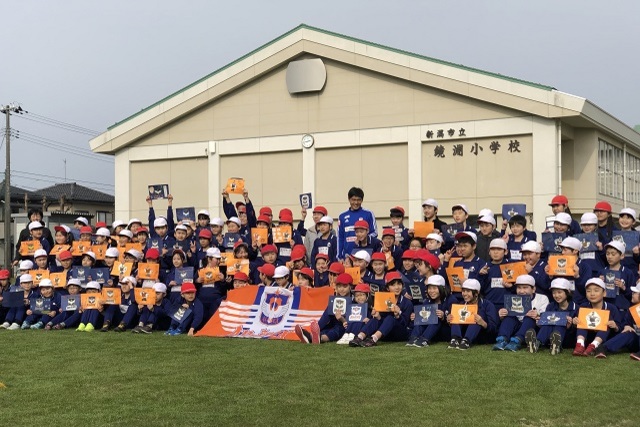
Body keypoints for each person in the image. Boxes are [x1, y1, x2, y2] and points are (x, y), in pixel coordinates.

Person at [348, 271, 413, 347]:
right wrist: (377, 316)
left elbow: (406, 324)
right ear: (388, 288)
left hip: (400, 334)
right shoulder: (382, 299)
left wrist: (398, 316)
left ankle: (373, 339)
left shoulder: (407, 302)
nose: (397, 287)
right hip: (385, 333)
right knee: (375, 319)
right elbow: (381, 320)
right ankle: (359, 337)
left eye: (399, 284)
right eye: (393, 285)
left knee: (390, 318)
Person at [493, 274, 549, 352]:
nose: (521, 291)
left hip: (532, 329)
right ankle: (502, 340)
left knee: (529, 317)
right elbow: (506, 319)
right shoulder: (512, 298)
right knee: (509, 317)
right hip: (516, 327)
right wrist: (501, 314)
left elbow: (546, 318)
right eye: (519, 287)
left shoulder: (542, 298)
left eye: (525, 287)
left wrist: (538, 314)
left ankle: (516, 341)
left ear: (533, 289)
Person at [295, 272, 352, 344]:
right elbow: (326, 316)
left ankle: (317, 338)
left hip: (344, 326)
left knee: (336, 330)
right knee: (326, 327)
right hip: (332, 322)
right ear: (336, 287)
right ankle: (313, 334)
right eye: (339, 287)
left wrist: (342, 319)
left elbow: (352, 323)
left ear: (350, 287)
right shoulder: (334, 299)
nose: (342, 289)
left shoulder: (354, 300)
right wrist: (319, 326)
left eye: (344, 286)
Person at [572, 278, 622, 357]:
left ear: (604, 293)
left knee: (606, 322)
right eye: (588, 291)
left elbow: (619, 329)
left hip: (603, 339)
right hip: (587, 337)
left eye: (596, 290)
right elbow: (575, 325)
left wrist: (615, 326)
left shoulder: (612, 308)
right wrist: (575, 322)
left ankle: (594, 346)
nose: (592, 294)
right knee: (581, 319)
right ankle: (580, 345)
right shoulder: (583, 307)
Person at [529, 278, 579, 355]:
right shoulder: (550, 306)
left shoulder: (576, 308)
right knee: (548, 323)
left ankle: (556, 346)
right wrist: (539, 322)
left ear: (568, 292)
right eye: (554, 293)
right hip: (549, 337)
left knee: (560, 324)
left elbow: (577, 330)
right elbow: (544, 322)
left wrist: (570, 325)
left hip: (567, 339)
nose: (556, 295)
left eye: (559, 292)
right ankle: (536, 343)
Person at [447, 279, 499, 350]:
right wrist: (450, 320)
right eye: (463, 291)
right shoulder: (461, 304)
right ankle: (455, 339)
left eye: (468, 291)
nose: (464, 294)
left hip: (482, 336)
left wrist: (483, 323)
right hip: (463, 334)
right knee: (456, 314)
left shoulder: (488, 305)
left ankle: (466, 341)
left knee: (477, 315)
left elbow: (494, 328)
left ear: (476, 293)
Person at [406, 275, 456, 347]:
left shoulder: (451, 300)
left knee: (436, 317)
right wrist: (415, 317)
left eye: (434, 288)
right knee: (422, 317)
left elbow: (455, 321)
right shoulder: (427, 301)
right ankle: (413, 337)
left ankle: (424, 340)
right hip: (432, 332)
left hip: (446, 331)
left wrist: (443, 317)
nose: (431, 291)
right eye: (429, 288)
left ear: (442, 288)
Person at [595, 283, 640, 358]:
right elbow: (625, 323)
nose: (632, 294)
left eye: (635, 292)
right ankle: (602, 348)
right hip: (636, 341)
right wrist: (626, 326)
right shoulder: (632, 310)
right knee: (628, 333)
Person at [337, 187, 377, 261]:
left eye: (358, 200)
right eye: (353, 200)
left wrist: (363, 238)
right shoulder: (342, 216)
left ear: (362, 200)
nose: (356, 202)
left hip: (364, 256)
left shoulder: (368, 214)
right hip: (347, 257)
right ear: (349, 199)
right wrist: (339, 256)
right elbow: (340, 238)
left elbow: (374, 233)